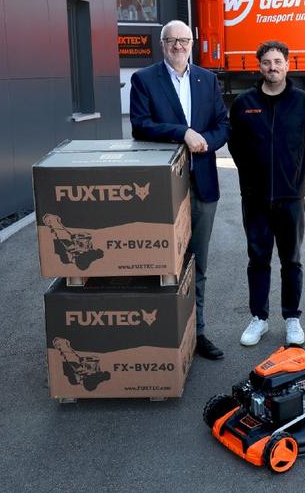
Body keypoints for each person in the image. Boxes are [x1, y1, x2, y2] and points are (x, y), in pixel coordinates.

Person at [130, 20, 230, 360]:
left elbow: (222, 125)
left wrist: (205, 142)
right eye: (171, 40)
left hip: (202, 185)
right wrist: (182, 133)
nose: (178, 45)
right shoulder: (144, 79)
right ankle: (161, 334)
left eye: (183, 40)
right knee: (160, 261)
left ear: (192, 44)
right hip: (162, 188)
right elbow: (141, 126)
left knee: (197, 263)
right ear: (162, 44)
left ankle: (196, 332)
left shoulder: (207, 79)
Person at [228, 41, 305, 346]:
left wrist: (296, 174)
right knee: (258, 259)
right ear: (259, 66)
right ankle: (259, 318)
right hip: (255, 198)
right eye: (267, 62)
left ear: (287, 65)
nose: (272, 67)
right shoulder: (244, 103)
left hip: (290, 198)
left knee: (291, 260)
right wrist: (251, 177)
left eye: (278, 62)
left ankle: (292, 318)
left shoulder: (303, 103)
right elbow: (235, 146)